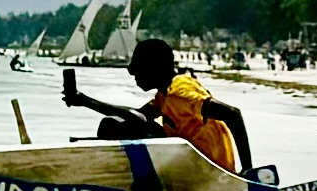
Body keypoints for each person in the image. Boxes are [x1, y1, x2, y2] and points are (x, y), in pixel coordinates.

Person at [64, 38, 253, 171]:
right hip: (189, 162)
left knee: (119, 125)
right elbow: (138, 117)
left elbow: (233, 114)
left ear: (153, 68)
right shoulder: (163, 95)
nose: (132, 73)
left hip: (210, 169)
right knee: (112, 125)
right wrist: (85, 103)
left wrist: (248, 171)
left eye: (137, 68)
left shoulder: (180, 91)